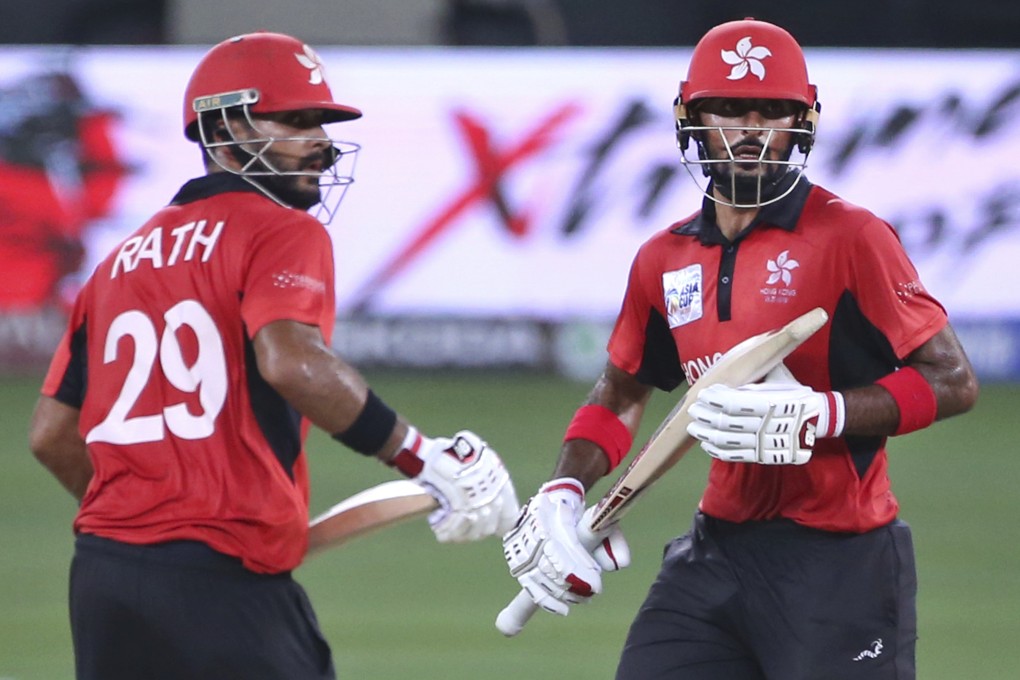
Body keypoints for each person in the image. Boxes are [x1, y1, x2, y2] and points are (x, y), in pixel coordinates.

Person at [28, 31, 519, 680]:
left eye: (320, 122)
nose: (319, 140)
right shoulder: (282, 228)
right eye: (295, 121)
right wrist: (420, 456)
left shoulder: (116, 263)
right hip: (223, 581)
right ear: (224, 130)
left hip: (104, 576)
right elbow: (291, 362)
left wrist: (146, 525)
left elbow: (51, 434)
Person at [501, 17, 978, 680]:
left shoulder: (851, 237)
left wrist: (822, 414)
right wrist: (563, 488)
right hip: (715, 554)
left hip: (840, 564)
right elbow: (620, 392)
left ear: (803, 122)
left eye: (772, 112)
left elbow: (953, 381)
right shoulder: (663, 259)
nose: (751, 129)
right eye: (729, 109)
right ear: (689, 118)